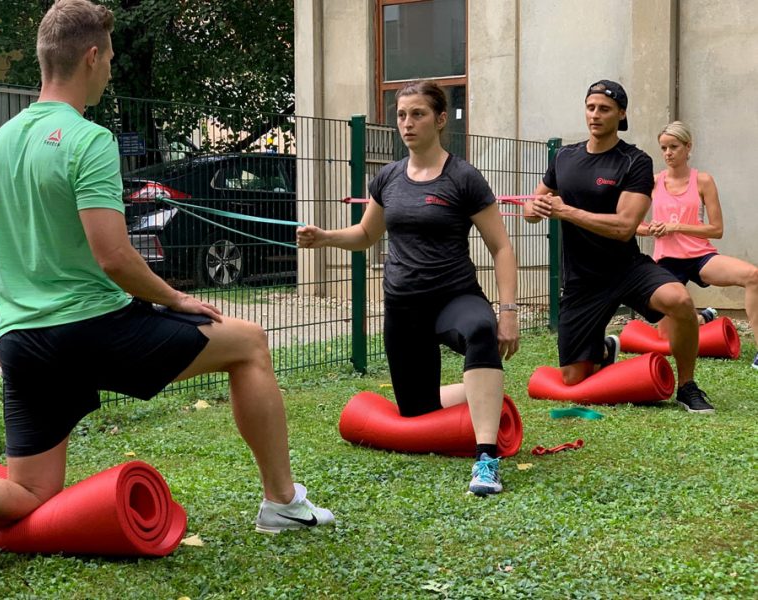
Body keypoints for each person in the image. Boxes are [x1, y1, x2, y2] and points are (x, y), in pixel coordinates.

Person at [0, 1, 332, 595]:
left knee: (34, 490)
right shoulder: (87, 140)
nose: (111, 70)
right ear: (91, 56)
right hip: (95, 330)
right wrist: (177, 298)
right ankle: (282, 501)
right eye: (110, 58)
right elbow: (114, 256)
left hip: (24, 341)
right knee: (248, 343)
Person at [297, 80, 520, 496]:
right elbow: (366, 235)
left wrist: (507, 310)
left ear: (439, 120)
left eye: (417, 114)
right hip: (404, 310)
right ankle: (487, 395)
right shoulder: (388, 178)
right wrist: (324, 236)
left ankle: (486, 459)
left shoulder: (464, 177)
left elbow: (502, 247)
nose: (407, 123)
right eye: (401, 115)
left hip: (455, 297)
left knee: (481, 331)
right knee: (416, 409)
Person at [524, 80, 714, 413]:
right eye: (590, 107)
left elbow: (625, 227)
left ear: (621, 113)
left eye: (604, 109)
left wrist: (565, 210)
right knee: (572, 379)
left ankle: (687, 386)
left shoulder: (633, 161)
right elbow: (533, 204)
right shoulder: (565, 157)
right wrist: (533, 209)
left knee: (680, 300)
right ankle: (602, 351)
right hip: (582, 280)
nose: (595, 115)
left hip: (627, 269)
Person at [637, 121, 758, 370]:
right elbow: (633, 222)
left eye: (674, 147)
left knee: (753, 275)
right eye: (663, 148)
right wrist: (652, 229)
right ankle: (702, 318)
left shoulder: (703, 181)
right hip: (666, 262)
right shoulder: (653, 182)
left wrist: (675, 226)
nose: (668, 153)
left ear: (688, 147)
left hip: (701, 257)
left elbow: (717, 230)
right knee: (666, 338)